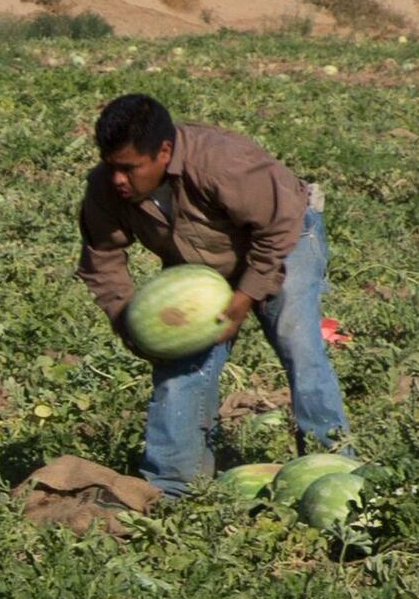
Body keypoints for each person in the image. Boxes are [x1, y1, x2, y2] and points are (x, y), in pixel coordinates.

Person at [76, 89, 346, 495]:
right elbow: (102, 257)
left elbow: (276, 228)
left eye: (129, 169)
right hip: (204, 259)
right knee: (182, 363)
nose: (118, 179)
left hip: (284, 238)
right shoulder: (106, 187)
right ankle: (172, 484)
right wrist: (127, 321)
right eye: (110, 166)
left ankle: (333, 468)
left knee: (299, 346)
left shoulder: (223, 163)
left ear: (164, 152)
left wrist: (245, 295)